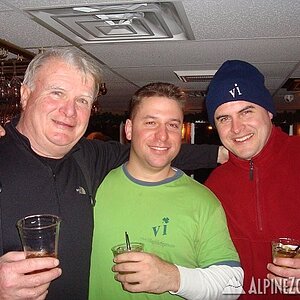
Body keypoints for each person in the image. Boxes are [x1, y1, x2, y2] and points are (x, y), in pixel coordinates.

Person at [0, 48, 227, 300]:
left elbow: (154, 150)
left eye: (83, 100)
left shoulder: (89, 158)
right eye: (57, 93)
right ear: (25, 94)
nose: (69, 111)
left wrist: (227, 153)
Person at [89, 82, 243, 300]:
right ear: (130, 129)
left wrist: (173, 278)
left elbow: (233, 284)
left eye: (172, 125)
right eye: (151, 122)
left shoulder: (203, 200)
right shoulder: (95, 186)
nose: (162, 136)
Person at [204, 60, 300, 299]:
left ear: (268, 112)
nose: (237, 128)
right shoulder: (213, 186)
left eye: (246, 111)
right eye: (224, 118)